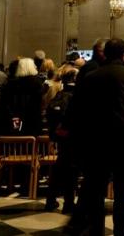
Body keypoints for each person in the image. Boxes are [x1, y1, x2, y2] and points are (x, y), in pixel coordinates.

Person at [67, 38, 124, 236]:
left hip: (97, 141)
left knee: (96, 191)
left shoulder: (92, 77)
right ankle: (121, 233)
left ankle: (96, 230)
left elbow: (80, 110)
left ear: (105, 53)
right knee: (122, 193)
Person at [45, 67, 78, 213]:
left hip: (61, 136)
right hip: (73, 136)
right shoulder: (76, 95)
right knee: (71, 171)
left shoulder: (59, 94)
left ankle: (50, 200)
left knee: (59, 169)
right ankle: (69, 203)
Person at [0, 58, 44, 136]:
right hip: (33, 120)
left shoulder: (12, 84)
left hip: (16, 119)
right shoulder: (37, 84)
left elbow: (6, 103)